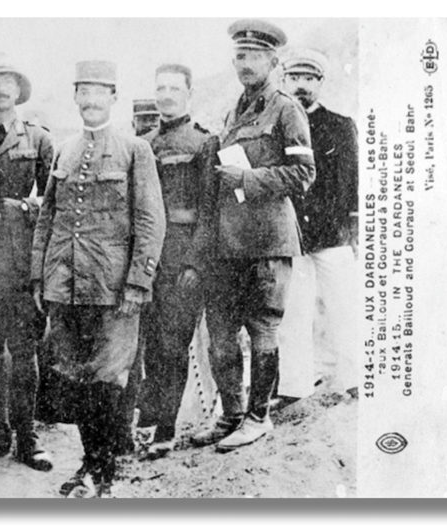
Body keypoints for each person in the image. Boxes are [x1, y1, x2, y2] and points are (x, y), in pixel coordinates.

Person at [31, 60, 166, 497]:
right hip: (65, 285)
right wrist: (40, 277)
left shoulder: (134, 150)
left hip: (113, 289)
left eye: (98, 92)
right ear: (74, 97)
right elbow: (47, 218)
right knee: (76, 378)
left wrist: (138, 283)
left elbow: (150, 221)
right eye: (82, 92)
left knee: (109, 380)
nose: (90, 100)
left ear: (113, 97)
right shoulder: (64, 150)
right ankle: (90, 466)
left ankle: (102, 474)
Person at [186, 20, 316, 451]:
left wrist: (250, 176)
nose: (245, 64)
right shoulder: (233, 111)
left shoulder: (285, 109)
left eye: (254, 56)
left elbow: (303, 173)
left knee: (262, 329)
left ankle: (258, 417)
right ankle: (231, 415)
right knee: (221, 332)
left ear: (274, 62)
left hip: (267, 242)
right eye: (240, 56)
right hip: (229, 244)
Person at [0, 52, 53, 471]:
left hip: (21, 264)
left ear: (19, 90)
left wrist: (20, 207)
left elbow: (53, 202)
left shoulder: (38, 139)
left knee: (25, 352)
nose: (1, 88)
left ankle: (28, 437)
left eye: (8, 81)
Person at [138, 63, 212, 460]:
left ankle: (165, 429)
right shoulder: (143, 142)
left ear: (188, 93)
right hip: (149, 257)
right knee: (149, 344)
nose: (166, 95)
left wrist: (195, 264)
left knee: (172, 345)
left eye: (174, 88)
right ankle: (149, 420)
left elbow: (210, 211)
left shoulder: (203, 143)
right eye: (160, 87)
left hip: (183, 259)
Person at [278, 48, 359, 398]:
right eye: (295, 78)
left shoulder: (341, 126)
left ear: (321, 83)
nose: (301, 86)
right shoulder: (277, 125)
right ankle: (295, 387)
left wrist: (354, 229)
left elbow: (353, 181)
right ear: (284, 81)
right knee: (293, 313)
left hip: (333, 234)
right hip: (292, 236)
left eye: (309, 79)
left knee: (345, 306)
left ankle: (355, 379)